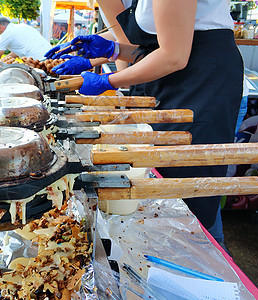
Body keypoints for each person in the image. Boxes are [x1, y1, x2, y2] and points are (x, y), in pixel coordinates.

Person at [47, 0, 243, 246]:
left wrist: (109, 81)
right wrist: (112, 50)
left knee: (189, 189)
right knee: (162, 175)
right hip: (175, 79)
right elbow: (152, 48)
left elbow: (173, 56)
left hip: (202, 82)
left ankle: (208, 257)